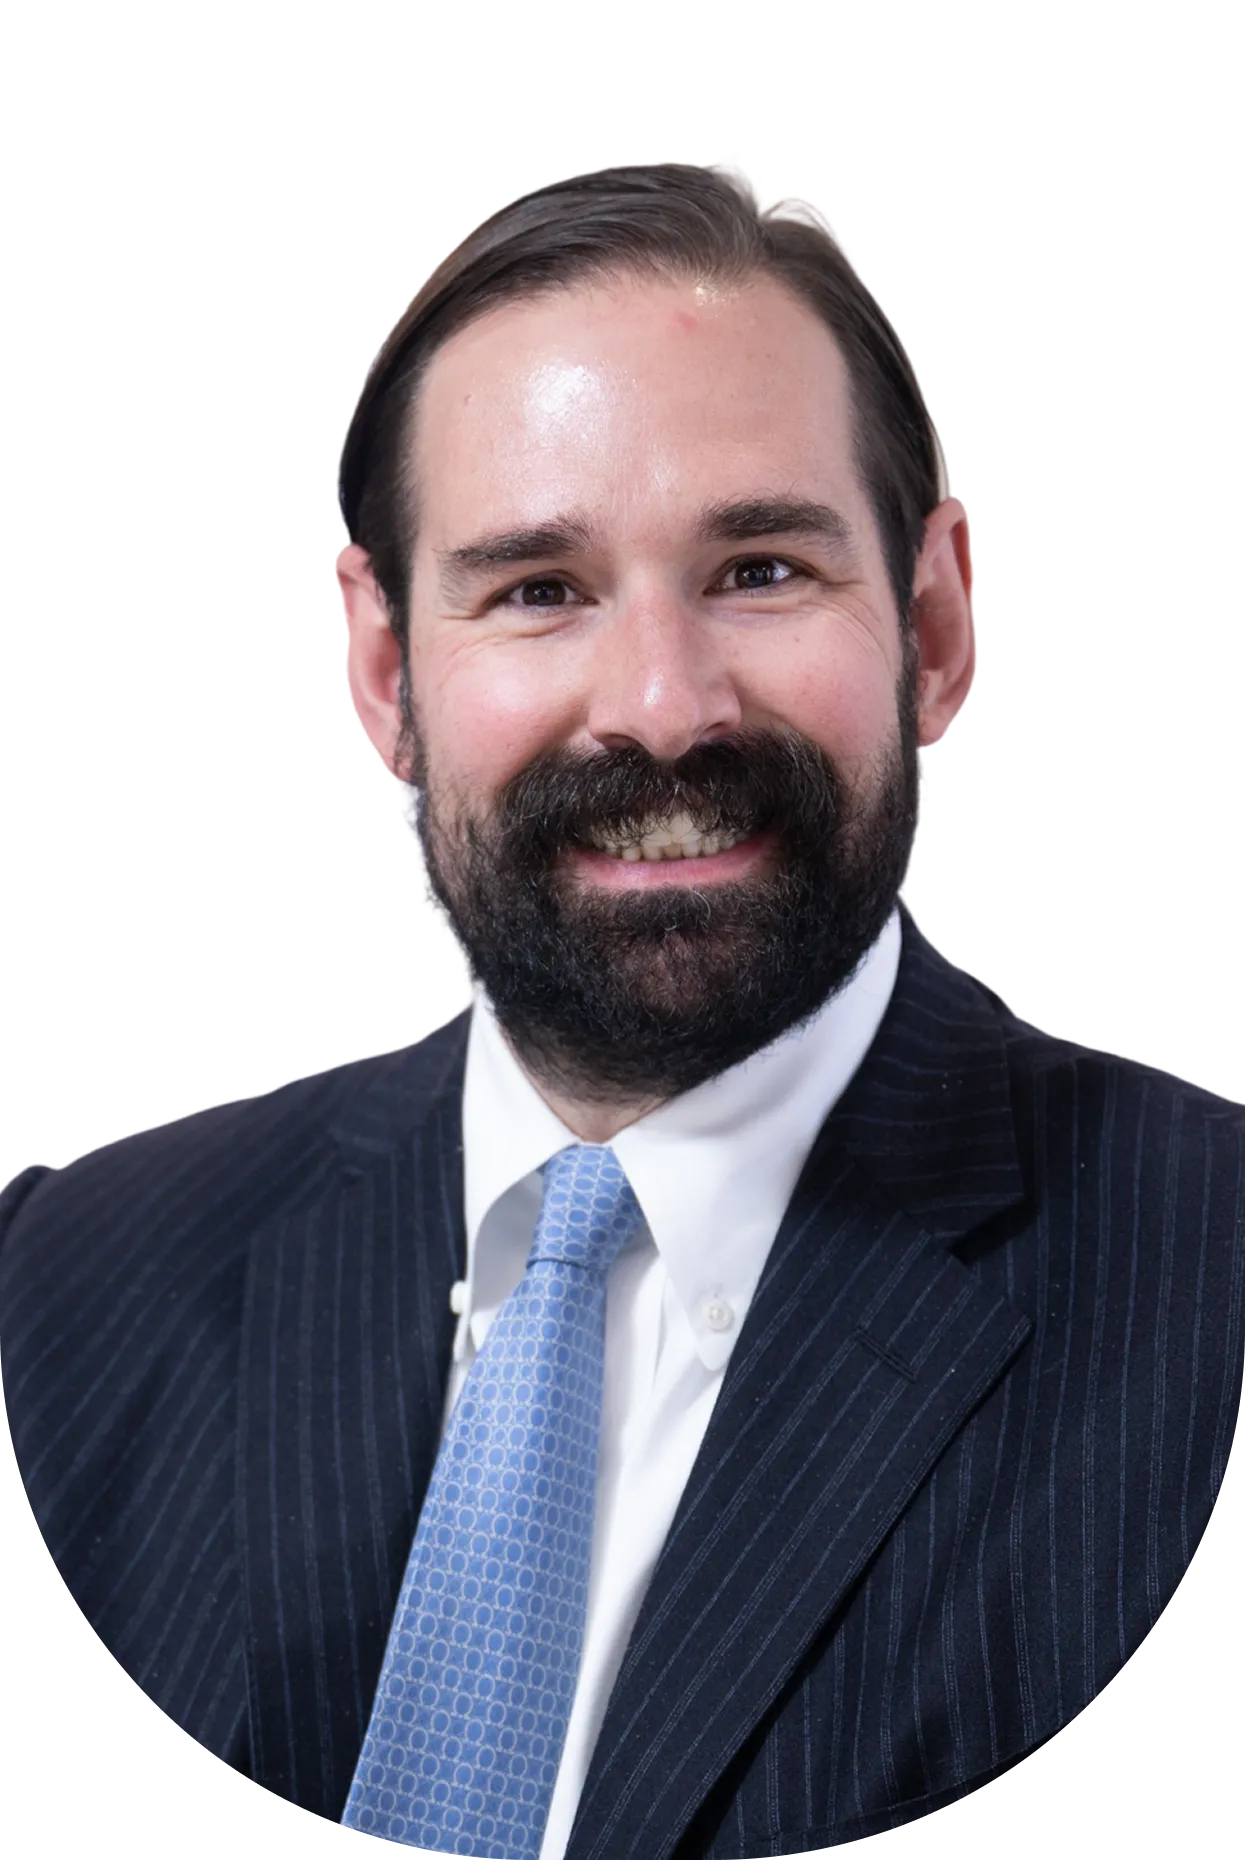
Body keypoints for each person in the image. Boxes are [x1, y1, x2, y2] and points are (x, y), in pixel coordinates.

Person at [0, 159, 1240, 1859]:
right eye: (538, 590)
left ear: (937, 625)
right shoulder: (64, 1281)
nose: (662, 706)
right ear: (385, 672)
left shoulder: (1215, 1284)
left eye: (760, 569)